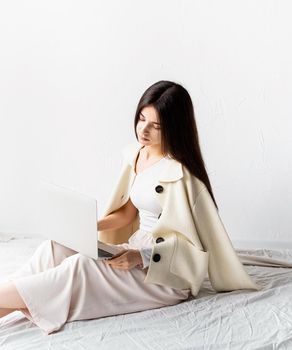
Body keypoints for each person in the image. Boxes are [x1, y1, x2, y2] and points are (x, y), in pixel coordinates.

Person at [0, 80, 261, 335]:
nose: (143, 131)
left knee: (80, 266)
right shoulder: (137, 155)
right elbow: (127, 213)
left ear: (174, 128)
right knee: (54, 248)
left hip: (164, 273)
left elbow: (195, 246)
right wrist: (88, 227)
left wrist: (143, 256)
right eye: (141, 119)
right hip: (134, 251)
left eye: (155, 126)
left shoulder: (182, 175)